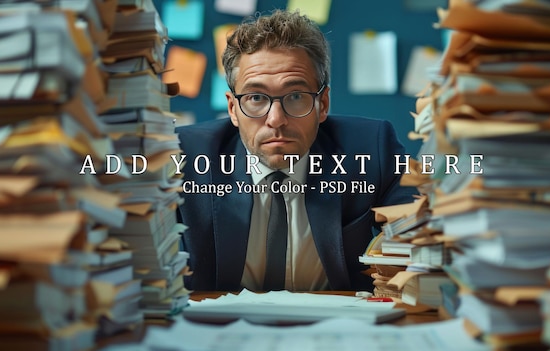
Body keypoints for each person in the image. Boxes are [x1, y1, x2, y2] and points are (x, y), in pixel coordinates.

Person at [175, 9, 416, 292]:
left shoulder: (370, 148)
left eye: (296, 96)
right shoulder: (185, 157)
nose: (275, 119)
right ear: (233, 109)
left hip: (338, 327)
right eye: (255, 98)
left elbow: (424, 231)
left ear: (323, 104)